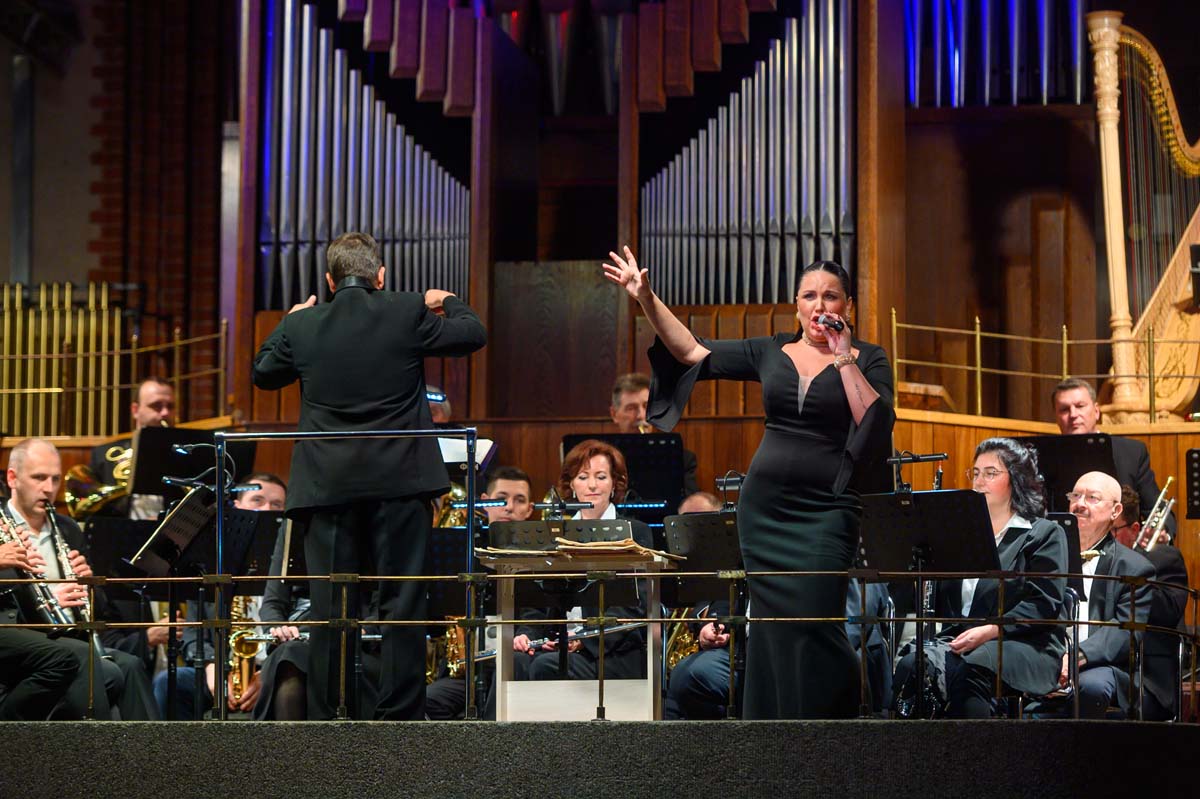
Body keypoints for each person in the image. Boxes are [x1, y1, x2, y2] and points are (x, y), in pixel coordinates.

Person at [604, 248, 895, 719]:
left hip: (828, 508)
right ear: (796, 304)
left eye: (831, 296)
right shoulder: (770, 350)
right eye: (809, 295)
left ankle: (832, 732)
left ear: (848, 306)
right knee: (772, 626)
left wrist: (843, 356)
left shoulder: (869, 359)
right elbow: (691, 351)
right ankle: (769, 736)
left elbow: (873, 422)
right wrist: (647, 299)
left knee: (816, 621)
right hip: (766, 511)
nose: (820, 305)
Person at [253, 230, 486, 720]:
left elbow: (263, 373)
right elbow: (472, 333)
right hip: (401, 483)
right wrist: (446, 299)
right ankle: (398, 718)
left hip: (327, 488)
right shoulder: (406, 310)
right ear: (380, 276)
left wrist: (288, 320)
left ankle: (331, 716)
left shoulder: (304, 324)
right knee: (402, 599)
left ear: (329, 281)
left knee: (332, 605)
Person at [892, 438, 1067, 718]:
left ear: (1016, 480)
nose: (979, 481)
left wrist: (991, 629)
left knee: (972, 667)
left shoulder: (1043, 533)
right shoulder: (963, 535)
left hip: (1026, 643)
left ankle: (976, 746)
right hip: (965, 638)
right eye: (975, 473)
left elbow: (1044, 603)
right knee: (911, 664)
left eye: (990, 473)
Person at [4, 438, 158, 719]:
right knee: (98, 668)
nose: (49, 488)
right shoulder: (2, 527)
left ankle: (152, 747)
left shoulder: (68, 528)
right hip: (26, 638)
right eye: (38, 478)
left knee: (131, 665)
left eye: (55, 479)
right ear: (12, 478)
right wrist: (50, 603)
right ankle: (94, 746)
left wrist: (89, 587)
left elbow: (99, 607)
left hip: (69, 635)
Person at [516, 440, 653, 682]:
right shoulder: (556, 532)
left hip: (610, 652)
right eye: (582, 477)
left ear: (614, 483)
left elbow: (635, 604)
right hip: (557, 644)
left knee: (546, 666)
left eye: (601, 477)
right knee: (514, 661)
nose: (592, 485)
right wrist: (527, 634)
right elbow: (537, 601)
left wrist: (584, 639)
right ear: (571, 484)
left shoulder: (635, 531)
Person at [426, 466, 535, 720]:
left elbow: (536, 615)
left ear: (530, 509)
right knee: (427, 701)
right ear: (485, 502)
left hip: (514, 664)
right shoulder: (460, 552)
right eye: (501, 498)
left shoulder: (539, 558)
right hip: (469, 669)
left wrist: (525, 636)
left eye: (519, 500)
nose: (509, 507)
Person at [1060, 471, 1155, 719]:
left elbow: (1125, 631)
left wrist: (1076, 656)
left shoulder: (1134, 567)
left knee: (1091, 687)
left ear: (1116, 511)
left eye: (1092, 497)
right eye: (1075, 496)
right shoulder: (1046, 556)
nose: (1080, 504)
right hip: (1049, 657)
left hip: (1100, 665)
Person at [1052, 377, 1176, 541]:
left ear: (1096, 411)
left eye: (1080, 406)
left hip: (1121, 545)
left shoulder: (1132, 452)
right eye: (1064, 409)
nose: (1073, 414)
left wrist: (1162, 532)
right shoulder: (1044, 456)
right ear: (1056, 417)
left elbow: (1155, 507)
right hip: (1064, 545)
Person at [1112, 486, 1189, 721]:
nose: (1105, 537)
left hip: (1146, 678)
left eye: (1112, 530)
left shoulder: (1164, 558)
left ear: (1134, 529)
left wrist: (1130, 569)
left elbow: (1169, 611)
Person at [87, 376, 176, 520]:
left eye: (170, 406)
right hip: (120, 532)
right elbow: (94, 513)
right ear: (135, 410)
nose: (165, 413)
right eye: (156, 406)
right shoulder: (104, 456)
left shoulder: (183, 455)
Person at [609, 373, 700, 498]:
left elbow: (690, 503)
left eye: (646, 406)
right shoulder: (603, 460)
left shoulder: (683, 459)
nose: (641, 415)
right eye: (631, 408)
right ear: (614, 414)